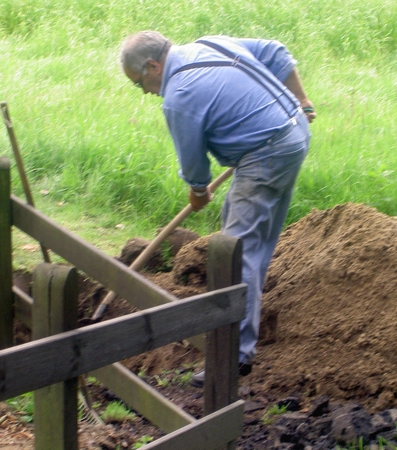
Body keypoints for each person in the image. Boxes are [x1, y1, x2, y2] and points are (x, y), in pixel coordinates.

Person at [120, 31, 315, 387]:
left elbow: (193, 162)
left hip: (268, 151)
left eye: (139, 84)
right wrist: (301, 99)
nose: (145, 92)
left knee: (235, 252)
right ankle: (248, 313)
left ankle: (233, 356)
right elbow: (276, 51)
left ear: (153, 65)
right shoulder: (209, 44)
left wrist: (197, 190)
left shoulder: (178, 96)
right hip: (292, 131)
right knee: (250, 239)